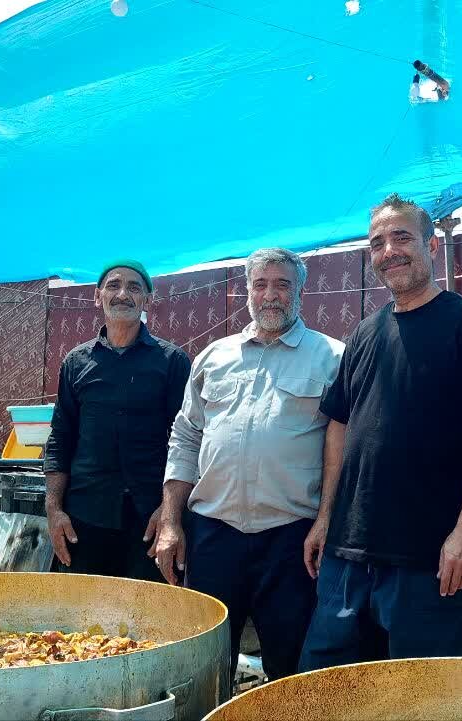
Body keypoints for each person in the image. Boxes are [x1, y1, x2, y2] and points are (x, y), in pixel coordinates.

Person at [298, 195, 462, 671]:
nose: (389, 251)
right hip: (348, 555)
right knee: (331, 689)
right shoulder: (364, 334)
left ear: (432, 246)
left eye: (401, 238)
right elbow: (339, 427)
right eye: (377, 243)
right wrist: (325, 518)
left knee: (425, 694)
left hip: (431, 559)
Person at [154, 248, 344, 681]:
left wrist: (326, 521)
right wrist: (170, 522)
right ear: (247, 291)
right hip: (213, 534)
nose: (270, 295)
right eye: (260, 284)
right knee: (204, 663)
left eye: (282, 285)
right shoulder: (213, 357)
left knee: (291, 668)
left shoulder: (331, 358)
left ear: (300, 291)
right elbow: (185, 438)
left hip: (292, 539)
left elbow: (342, 450)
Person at [44, 259, 190, 581]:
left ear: (147, 300)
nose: (123, 294)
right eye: (113, 285)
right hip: (84, 518)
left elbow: (188, 442)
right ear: (98, 297)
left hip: (149, 521)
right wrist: (54, 510)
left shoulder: (172, 362)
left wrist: (170, 512)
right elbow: (60, 439)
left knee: (147, 609)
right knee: (82, 609)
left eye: (134, 287)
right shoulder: (76, 362)